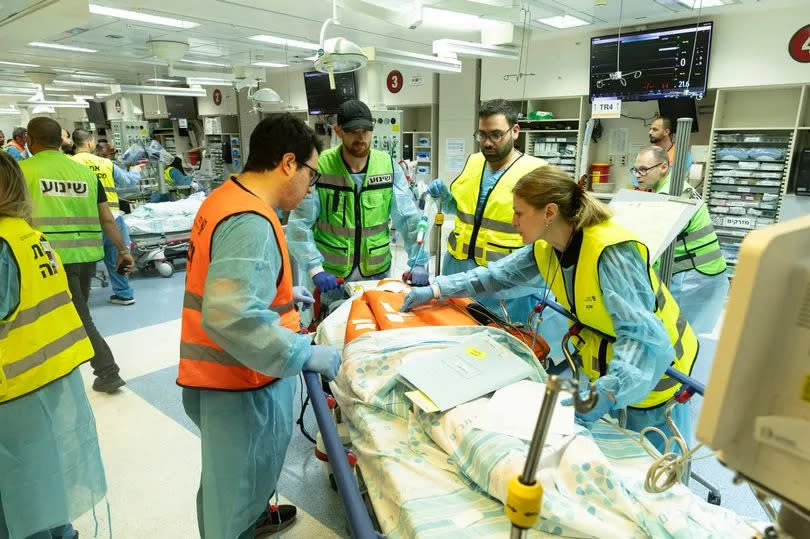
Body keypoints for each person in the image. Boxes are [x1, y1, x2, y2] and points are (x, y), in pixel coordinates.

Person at [403, 164, 699, 452]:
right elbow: (497, 275)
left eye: (519, 213)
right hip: (610, 368)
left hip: (657, 373)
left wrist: (610, 391)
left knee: (654, 466)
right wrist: (438, 288)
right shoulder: (547, 245)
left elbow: (640, 335)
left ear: (549, 212)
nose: (513, 221)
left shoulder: (612, 252)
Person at [179, 114, 341, 538]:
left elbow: (232, 286)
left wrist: (284, 299)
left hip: (226, 375)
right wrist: (302, 352)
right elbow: (231, 314)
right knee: (232, 491)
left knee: (238, 481)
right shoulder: (249, 220)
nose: (310, 187)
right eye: (311, 174)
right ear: (289, 163)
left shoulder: (225, 197)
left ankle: (253, 519)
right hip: (237, 381)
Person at [0, 150, 107, 539]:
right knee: (42, 481)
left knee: (19, 502)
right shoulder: (28, 236)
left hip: (13, 391)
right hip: (49, 378)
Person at [426, 99, 568, 351]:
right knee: (453, 345)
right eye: (482, 134)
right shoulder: (473, 162)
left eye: (496, 134)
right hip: (458, 272)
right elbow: (462, 210)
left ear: (515, 131)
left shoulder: (537, 173)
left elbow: (553, 233)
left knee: (502, 352)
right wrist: (445, 198)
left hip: (507, 285)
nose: (487, 142)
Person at [20, 117, 134, 393]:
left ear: (30, 140)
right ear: (61, 141)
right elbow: (107, 218)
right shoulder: (84, 173)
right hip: (86, 257)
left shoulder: (22, 171)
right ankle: (63, 366)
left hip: (46, 258)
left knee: (78, 316)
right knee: (73, 312)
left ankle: (107, 370)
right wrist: (122, 250)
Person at [287, 99, 429, 298]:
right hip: (331, 278)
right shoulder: (321, 167)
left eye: (365, 130)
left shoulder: (387, 166)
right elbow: (300, 224)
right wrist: (315, 269)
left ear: (373, 128)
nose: (360, 137)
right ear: (338, 131)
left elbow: (408, 220)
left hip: (376, 274)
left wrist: (419, 262)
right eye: (352, 131)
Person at [632, 145, 728, 335]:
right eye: (635, 169)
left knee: (677, 337)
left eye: (644, 169)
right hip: (704, 272)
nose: (638, 174)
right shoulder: (675, 188)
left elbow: (654, 245)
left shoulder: (671, 194)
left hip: (695, 275)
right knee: (685, 334)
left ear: (663, 167)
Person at [72, 129, 143, 305]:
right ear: (90, 142)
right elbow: (128, 182)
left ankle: (79, 300)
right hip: (113, 218)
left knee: (82, 263)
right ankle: (125, 294)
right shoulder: (105, 163)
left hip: (86, 221)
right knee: (118, 257)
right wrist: (135, 171)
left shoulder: (68, 164)